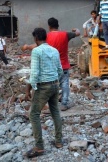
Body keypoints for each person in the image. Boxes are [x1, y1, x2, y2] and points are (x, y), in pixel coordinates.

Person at [22, 18, 80, 111]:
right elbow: (77, 33)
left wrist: (27, 46)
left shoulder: (47, 36)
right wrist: (76, 29)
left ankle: (50, 103)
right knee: (64, 84)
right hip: (63, 65)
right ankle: (64, 103)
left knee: (51, 84)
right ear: (58, 25)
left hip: (51, 66)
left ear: (49, 26)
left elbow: (37, 45)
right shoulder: (65, 34)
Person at [25, 28, 63, 158]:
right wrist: (55, 82)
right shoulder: (54, 50)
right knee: (55, 112)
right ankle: (59, 141)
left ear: (36, 38)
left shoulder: (36, 51)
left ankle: (39, 147)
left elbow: (34, 73)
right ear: (45, 37)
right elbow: (60, 70)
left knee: (34, 114)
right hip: (54, 84)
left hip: (43, 87)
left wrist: (30, 88)